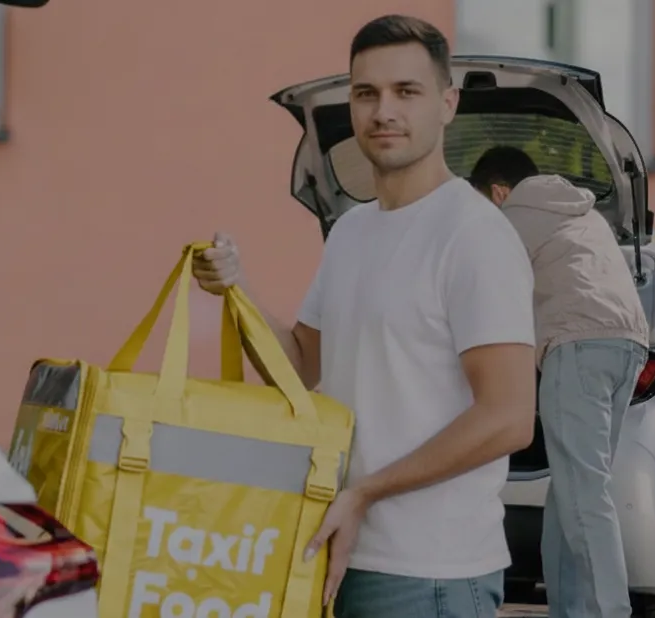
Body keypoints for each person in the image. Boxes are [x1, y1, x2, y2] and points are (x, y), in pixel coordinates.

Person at [192, 15, 537, 618]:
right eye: (366, 93)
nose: (384, 111)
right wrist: (236, 291)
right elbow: (300, 367)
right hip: (338, 547)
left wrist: (366, 493)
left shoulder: (474, 235)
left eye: (407, 91)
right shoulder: (351, 230)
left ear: (447, 104)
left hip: (429, 574)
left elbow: (508, 419)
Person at [469, 145, 650, 618]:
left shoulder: (512, 217)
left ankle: (609, 612)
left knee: (584, 495)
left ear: (499, 192)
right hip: (627, 346)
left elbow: (479, 291)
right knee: (572, 491)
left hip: (578, 346)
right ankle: (570, 610)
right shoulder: (581, 212)